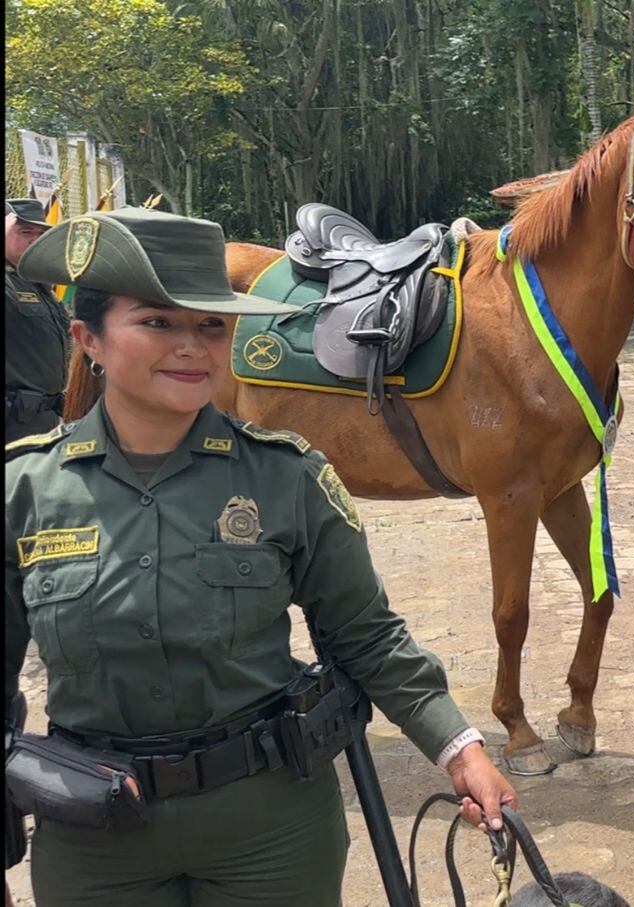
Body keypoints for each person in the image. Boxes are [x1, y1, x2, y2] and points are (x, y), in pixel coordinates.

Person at [4, 208, 517, 907]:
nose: (192, 346)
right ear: (87, 337)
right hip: (94, 840)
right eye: (158, 321)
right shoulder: (25, 491)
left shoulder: (287, 476)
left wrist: (460, 747)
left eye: (211, 324)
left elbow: (365, 634)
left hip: (269, 836)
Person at [4, 199, 70, 443]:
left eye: (41, 233)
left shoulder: (38, 284)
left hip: (42, 419)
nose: (34, 239)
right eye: (24, 231)